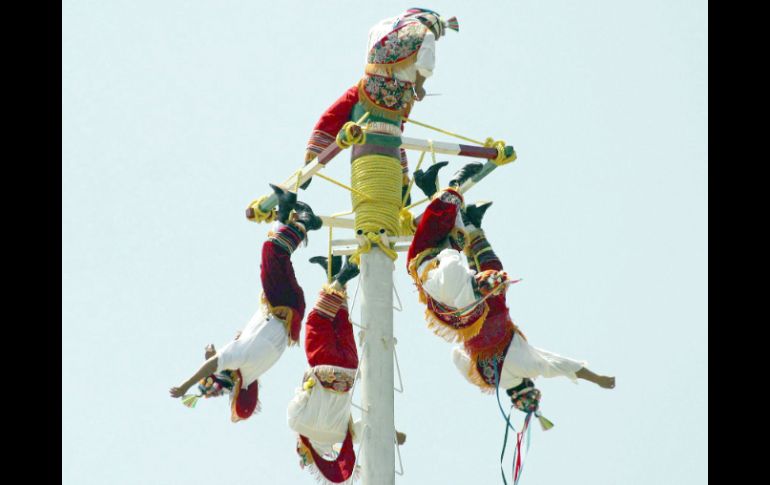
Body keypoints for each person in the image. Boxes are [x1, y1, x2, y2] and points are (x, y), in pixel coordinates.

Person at [406, 163, 616, 401]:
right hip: (463, 313)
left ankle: (469, 220)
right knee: (456, 249)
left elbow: (557, 365)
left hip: (488, 309)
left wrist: (596, 378)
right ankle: (465, 216)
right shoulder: (487, 381)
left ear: (527, 384)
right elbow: (457, 355)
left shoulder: (526, 367)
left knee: (486, 266)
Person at [169, 185, 323, 421]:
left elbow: (220, 366)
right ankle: (304, 222)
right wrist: (185, 386)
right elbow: (215, 365)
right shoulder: (239, 362)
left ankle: (285, 208)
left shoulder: (247, 373)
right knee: (272, 252)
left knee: (271, 261)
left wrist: (212, 361)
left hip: (285, 308)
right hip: (283, 306)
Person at [303, 8, 459, 196]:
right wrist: (419, 88)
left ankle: (314, 152)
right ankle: (402, 183)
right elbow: (425, 67)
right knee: (394, 134)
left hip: (368, 89)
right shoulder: (426, 35)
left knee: (335, 113)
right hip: (397, 99)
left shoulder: (381, 26)